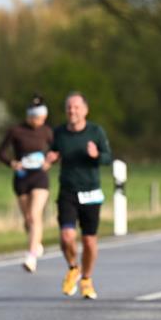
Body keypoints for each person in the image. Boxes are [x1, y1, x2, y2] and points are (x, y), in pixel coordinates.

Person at [50, 92, 112, 299]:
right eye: (69, 107)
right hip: (68, 191)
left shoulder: (95, 132)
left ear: (85, 110)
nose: (72, 111)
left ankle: (86, 279)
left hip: (91, 191)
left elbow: (108, 157)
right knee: (67, 236)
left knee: (88, 242)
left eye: (76, 107)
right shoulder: (59, 133)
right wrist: (50, 157)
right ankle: (73, 267)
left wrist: (97, 155)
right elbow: (52, 152)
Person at [0, 94, 57, 272]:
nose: (40, 121)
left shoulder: (46, 132)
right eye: (37, 118)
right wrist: (12, 163)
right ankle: (35, 242)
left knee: (35, 214)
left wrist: (50, 161)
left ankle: (31, 256)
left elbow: (57, 150)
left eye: (42, 118)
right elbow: (0, 152)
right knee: (28, 219)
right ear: (29, 116)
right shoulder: (16, 131)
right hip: (22, 177)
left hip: (39, 176)